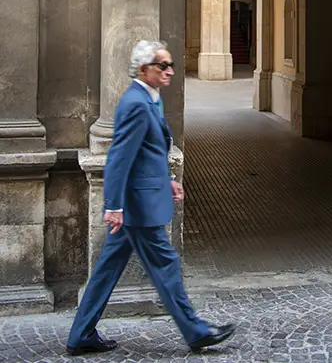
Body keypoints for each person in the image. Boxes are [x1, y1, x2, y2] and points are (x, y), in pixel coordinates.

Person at [66, 40, 235, 356]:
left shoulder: (150, 99)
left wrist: (169, 179)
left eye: (171, 64)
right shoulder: (135, 104)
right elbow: (119, 157)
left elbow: (150, 151)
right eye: (163, 65)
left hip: (140, 200)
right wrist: (113, 205)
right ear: (144, 70)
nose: (170, 71)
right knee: (166, 264)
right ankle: (196, 331)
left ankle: (80, 334)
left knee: (106, 270)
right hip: (137, 207)